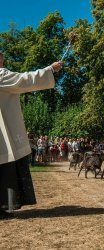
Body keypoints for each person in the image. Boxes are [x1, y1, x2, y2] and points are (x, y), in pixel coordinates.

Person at [0, 51, 63, 219]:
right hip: (3, 139)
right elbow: (25, 80)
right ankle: (4, 206)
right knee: (6, 170)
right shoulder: (1, 76)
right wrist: (50, 69)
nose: (3, 61)